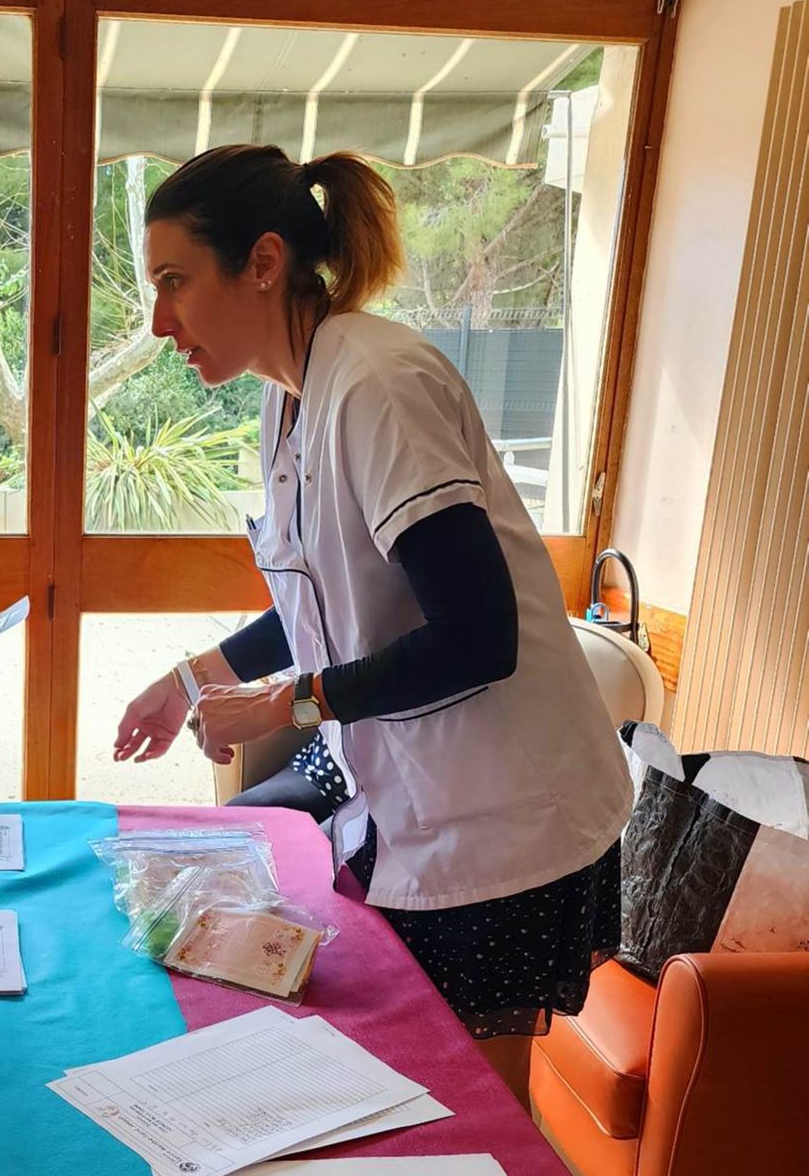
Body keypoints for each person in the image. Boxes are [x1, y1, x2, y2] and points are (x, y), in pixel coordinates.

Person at [113, 147, 633, 1102]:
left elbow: (478, 634)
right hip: (413, 802)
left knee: (470, 1113)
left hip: (503, 822)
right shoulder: (291, 395)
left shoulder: (377, 384)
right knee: (409, 1089)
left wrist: (288, 705)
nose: (160, 322)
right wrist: (187, 682)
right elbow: (319, 602)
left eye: (175, 281)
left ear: (263, 262)